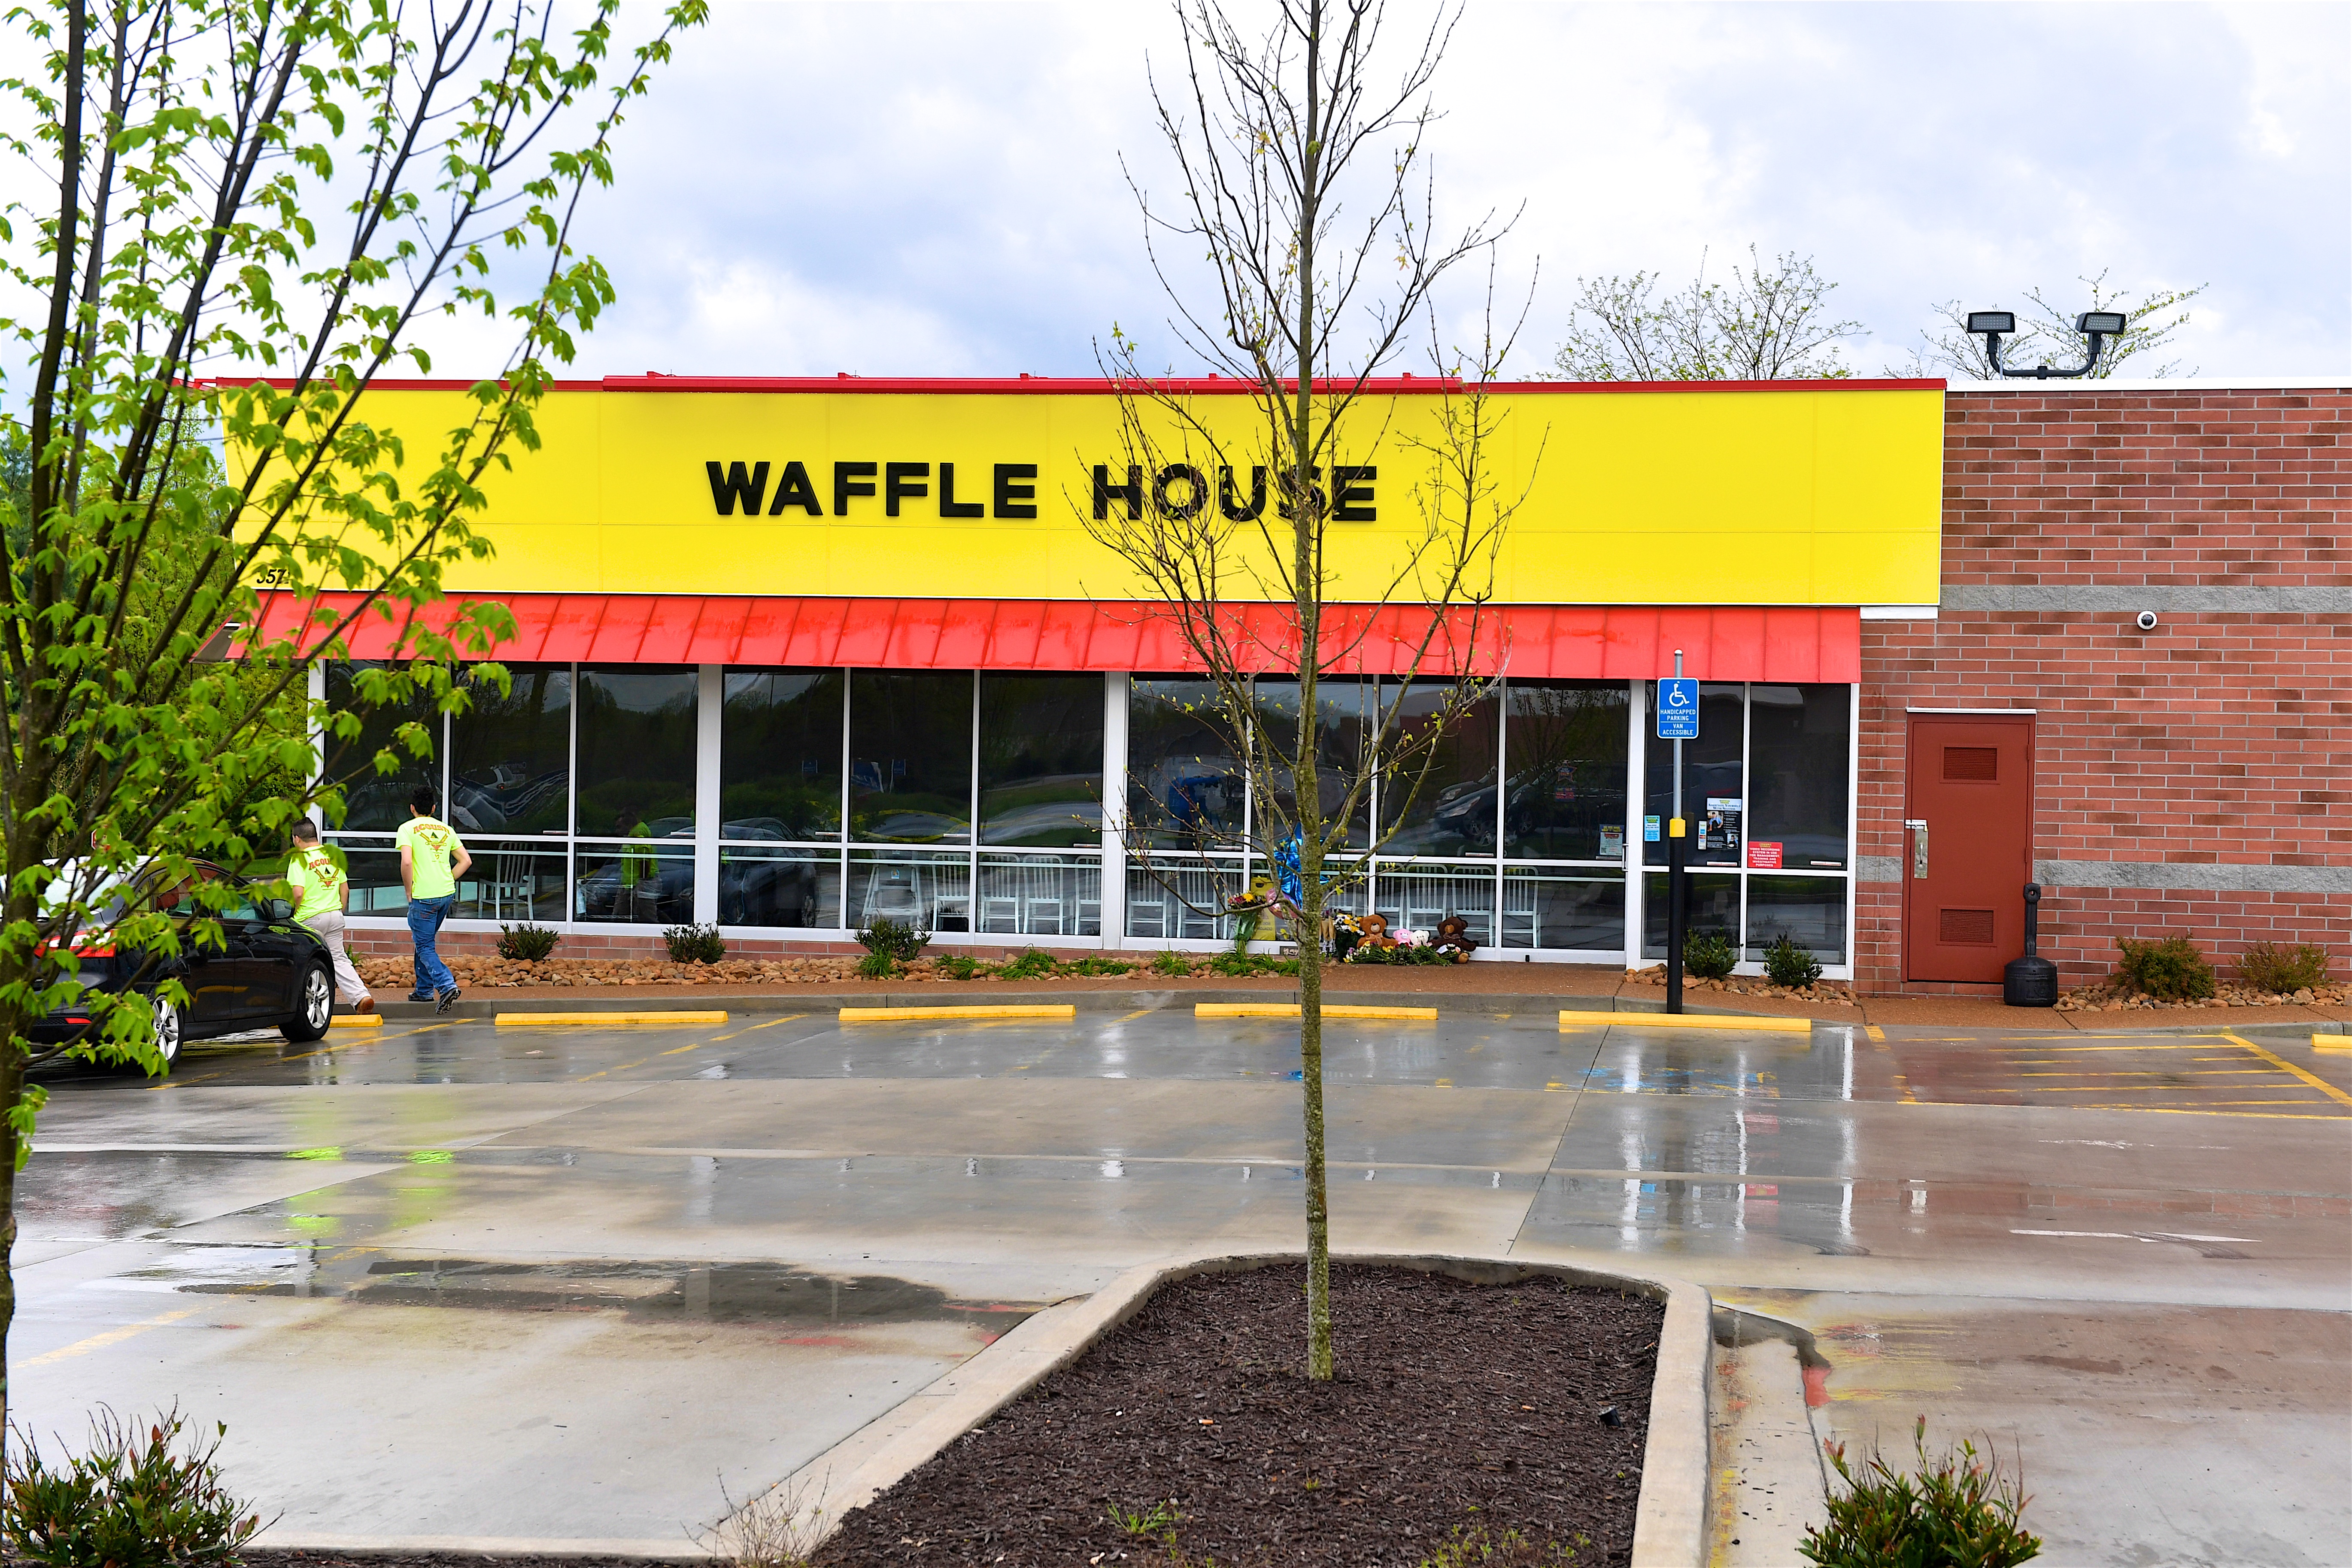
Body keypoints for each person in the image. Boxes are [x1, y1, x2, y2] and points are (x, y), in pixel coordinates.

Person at [398, 785, 472, 1010]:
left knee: (425, 946)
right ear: (433, 808)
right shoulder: (447, 830)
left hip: (424, 896)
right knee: (424, 942)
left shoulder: (407, 829)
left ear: (412, 808)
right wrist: (447, 879)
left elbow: (407, 862)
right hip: (446, 894)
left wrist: (409, 890)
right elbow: (466, 861)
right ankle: (423, 991)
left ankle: (447, 985)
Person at [287, 819, 373, 1014]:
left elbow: (298, 893)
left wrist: (292, 913)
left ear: (297, 839)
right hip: (334, 915)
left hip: (309, 919)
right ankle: (361, 997)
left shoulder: (299, 859)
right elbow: (345, 888)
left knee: (305, 963)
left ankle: (305, 1007)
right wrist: (339, 910)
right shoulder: (332, 855)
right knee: (339, 960)